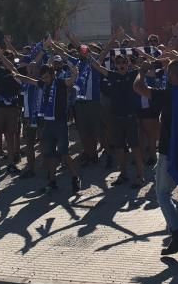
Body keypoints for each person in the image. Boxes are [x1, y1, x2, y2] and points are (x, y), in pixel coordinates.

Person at [133, 58, 178, 258]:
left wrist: (142, 70)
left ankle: (177, 235)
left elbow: (139, 87)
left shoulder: (167, 95)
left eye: (168, 73)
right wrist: (177, 64)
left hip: (169, 152)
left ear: (172, 76)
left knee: (163, 194)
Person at [16, 61, 82, 193]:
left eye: (47, 77)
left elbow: (73, 79)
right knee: (49, 154)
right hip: (48, 123)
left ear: (52, 74)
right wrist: (16, 74)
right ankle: (52, 181)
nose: (45, 80)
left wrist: (72, 67)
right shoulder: (43, 84)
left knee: (64, 153)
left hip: (60, 124)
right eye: (43, 78)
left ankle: (75, 177)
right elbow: (30, 80)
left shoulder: (60, 83)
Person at [89, 50, 147, 188]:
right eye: (118, 63)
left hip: (131, 117)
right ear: (115, 65)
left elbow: (146, 68)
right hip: (116, 117)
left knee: (135, 147)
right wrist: (86, 54)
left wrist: (142, 61)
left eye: (124, 62)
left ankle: (141, 176)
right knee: (120, 148)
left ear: (128, 64)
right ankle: (123, 174)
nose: (121, 65)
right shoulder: (112, 75)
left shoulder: (134, 74)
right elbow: (98, 66)